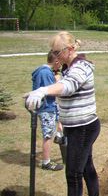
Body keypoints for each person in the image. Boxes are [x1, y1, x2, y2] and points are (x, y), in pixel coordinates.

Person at [25, 31, 100, 196]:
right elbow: (63, 85)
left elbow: (69, 86)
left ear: (70, 49)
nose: (54, 55)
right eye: (53, 52)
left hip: (83, 127)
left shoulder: (81, 67)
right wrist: (39, 91)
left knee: (73, 174)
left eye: (57, 52)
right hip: (75, 127)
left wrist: (44, 90)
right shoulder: (68, 67)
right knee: (86, 167)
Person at [31, 51, 63, 171]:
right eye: (60, 63)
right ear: (56, 61)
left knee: (52, 131)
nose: (60, 66)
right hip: (46, 108)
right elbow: (51, 90)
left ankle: (59, 136)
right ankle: (46, 162)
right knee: (48, 135)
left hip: (50, 106)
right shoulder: (45, 73)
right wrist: (58, 82)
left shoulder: (45, 71)